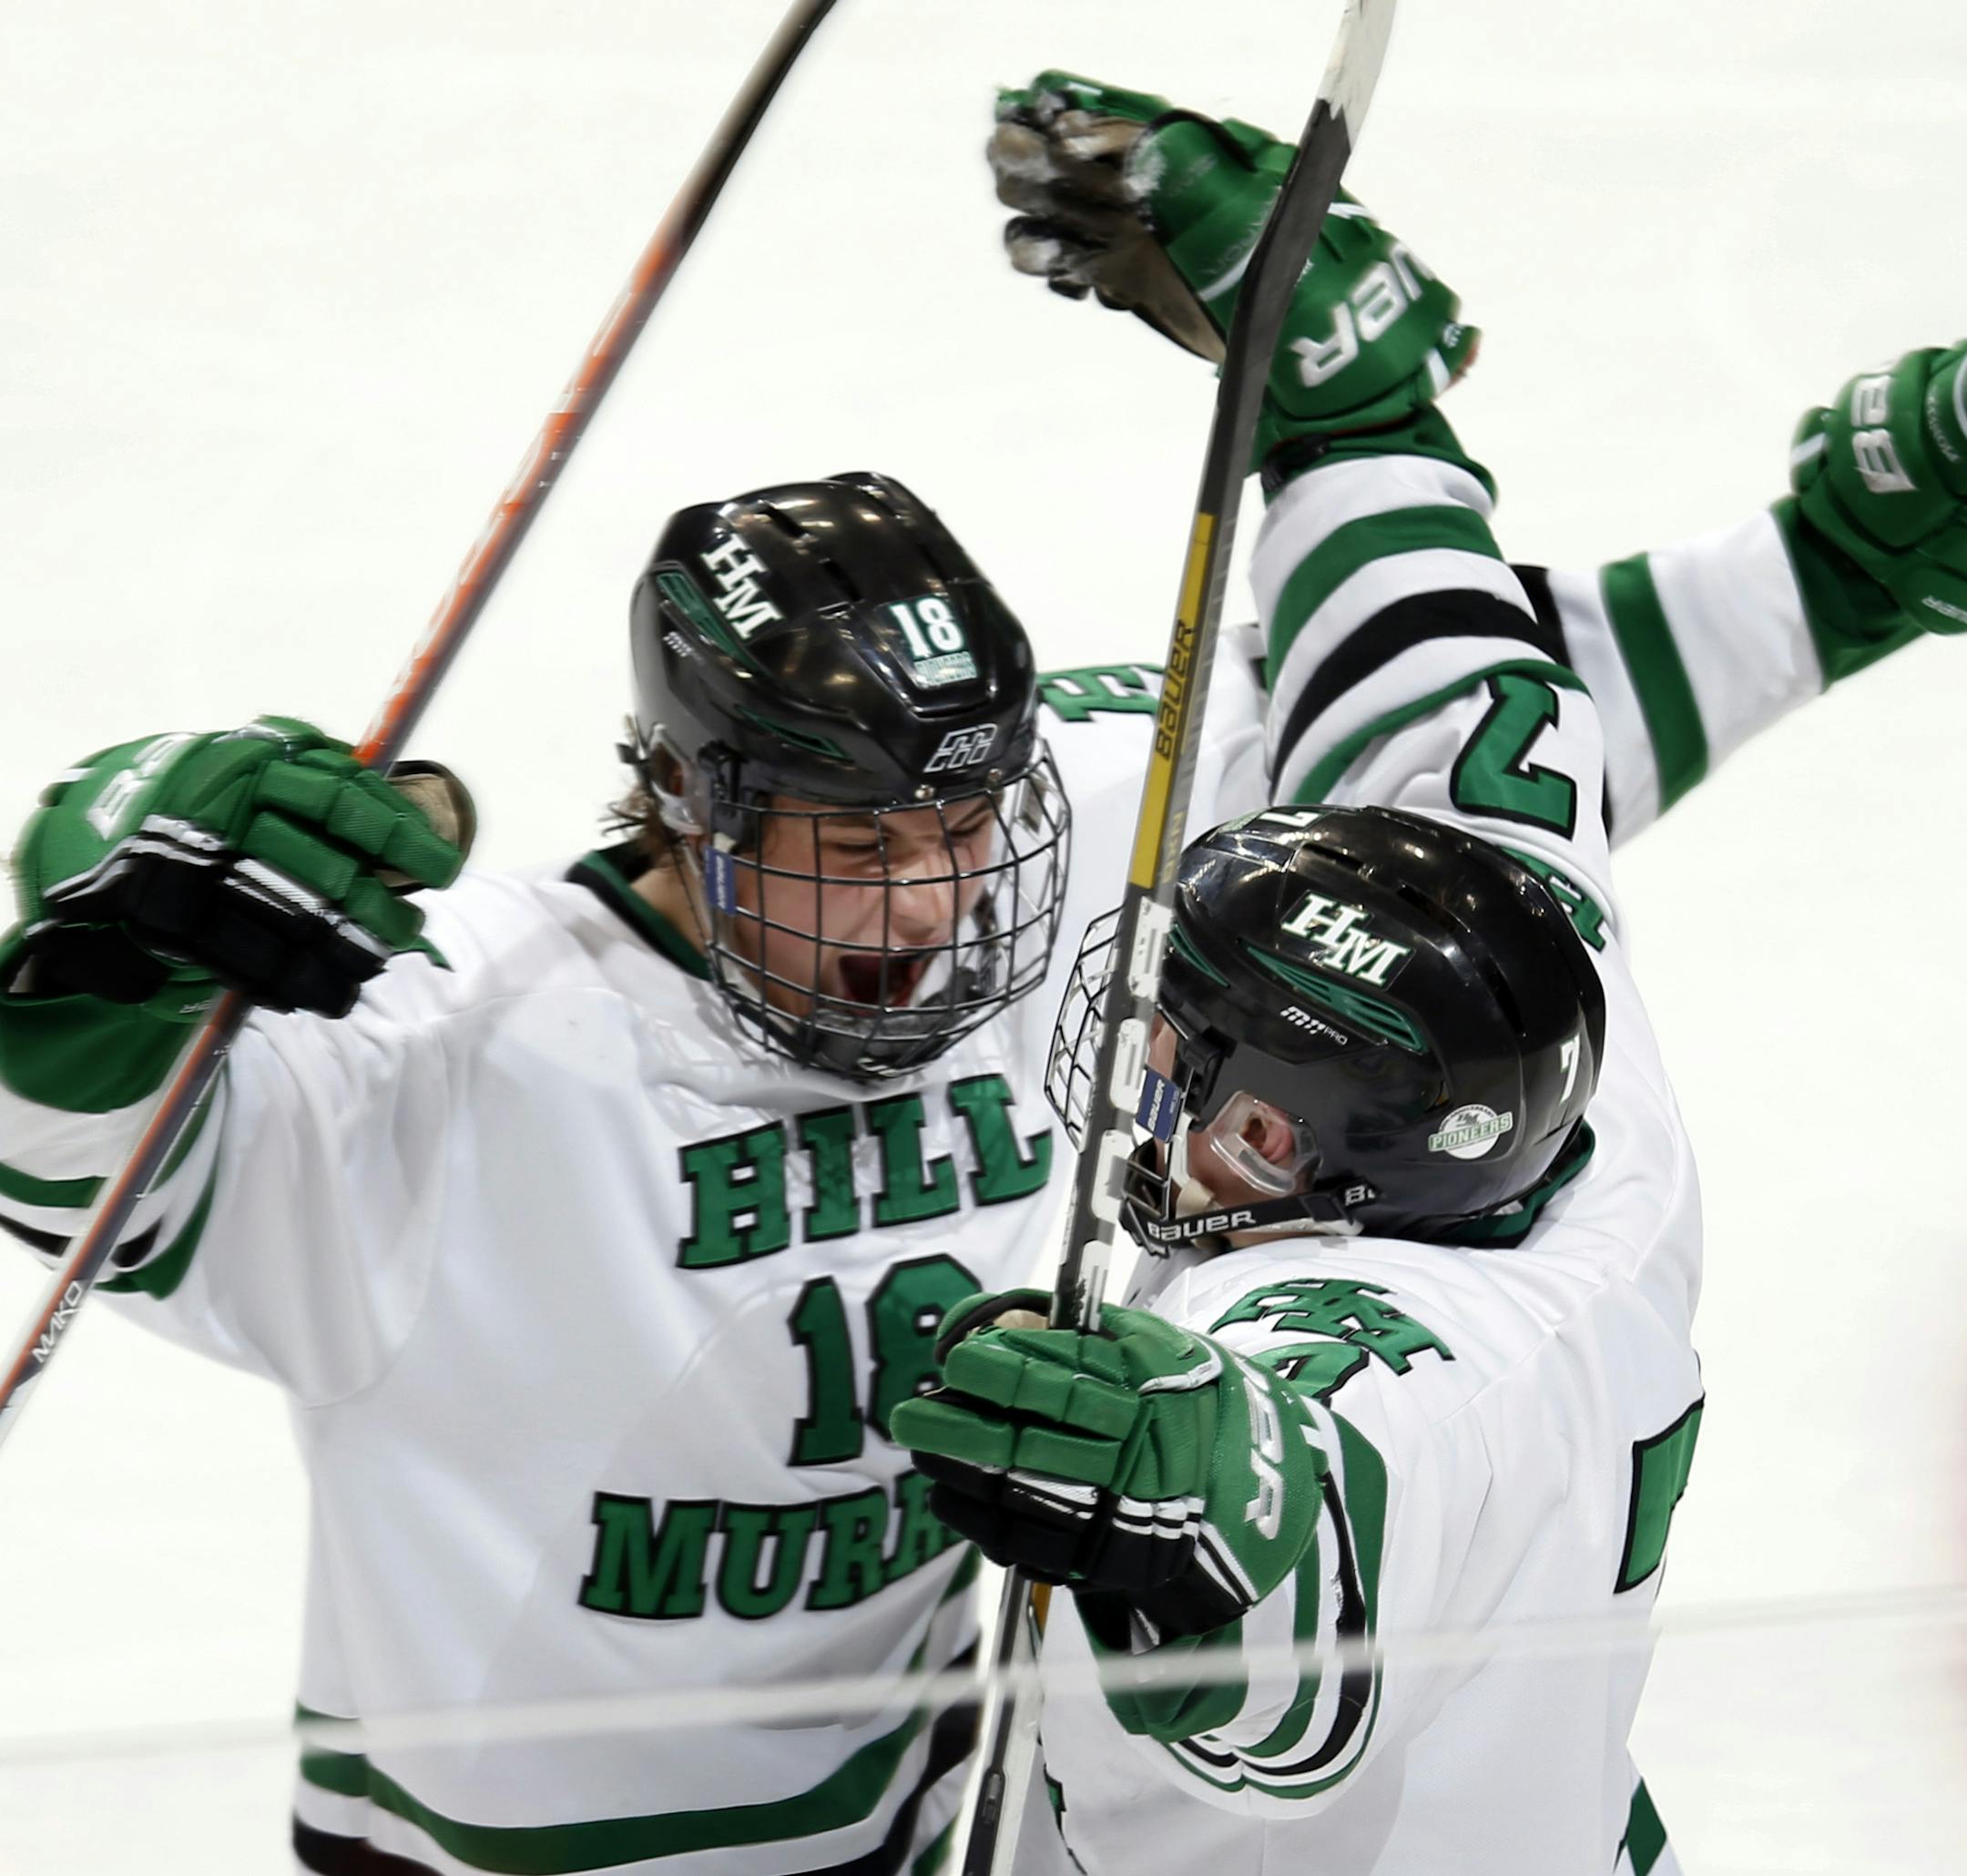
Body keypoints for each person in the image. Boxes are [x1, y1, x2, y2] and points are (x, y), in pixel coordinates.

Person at [3, 64, 1962, 1876]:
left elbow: (1471, 781)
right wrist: (112, 944)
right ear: (687, 800)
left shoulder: (1102, 823)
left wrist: (1831, 564)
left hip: (941, 1818)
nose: (931, 903)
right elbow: (66, 1151)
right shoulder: (462, 1045)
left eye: (966, 826)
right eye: (855, 847)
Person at [888, 72, 1967, 1876]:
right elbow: (1464, 723)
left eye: (1196, 1069)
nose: (1145, 1070)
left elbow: (1305, 1522)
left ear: (1312, 1156)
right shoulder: (1553, 1069)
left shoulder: (1395, 1350)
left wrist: (1184, 1501)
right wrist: (1348, 412)